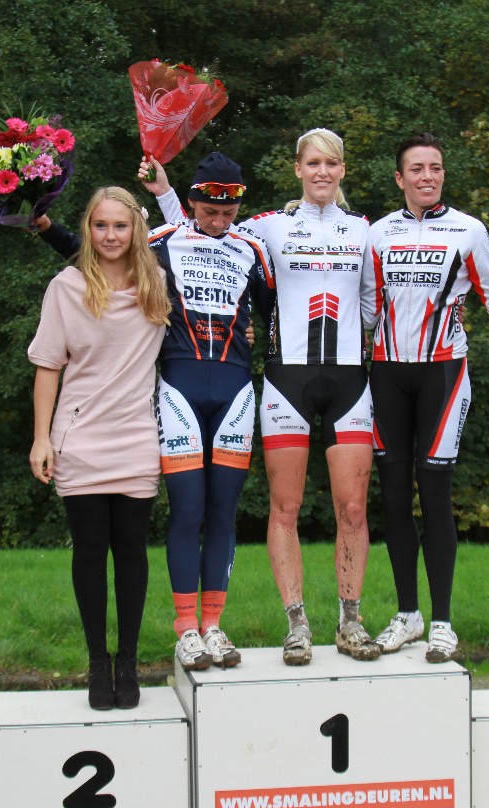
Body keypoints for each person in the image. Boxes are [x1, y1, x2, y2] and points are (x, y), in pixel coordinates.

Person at [146, 127, 380, 666]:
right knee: (285, 506)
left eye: (332, 163)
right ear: (297, 168)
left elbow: (372, 305)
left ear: (343, 170)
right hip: (285, 378)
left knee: (352, 506)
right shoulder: (264, 227)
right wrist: (164, 193)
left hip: (348, 377)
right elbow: (202, 234)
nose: (322, 171)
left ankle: (351, 621)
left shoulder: (364, 229)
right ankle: (297, 625)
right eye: (313, 162)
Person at [360, 133, 489, 662]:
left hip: (444, 375)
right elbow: (363, 310)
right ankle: (407, 615)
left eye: (435, 167)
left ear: (443, 175)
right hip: (386, 374)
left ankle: (442, 623)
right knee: (392, 498)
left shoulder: (469, 230)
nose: (427, 176)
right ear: (399, 178)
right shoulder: (377, 233)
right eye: (417, 168)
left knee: (434, 495)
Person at [27, 186, 171, 709]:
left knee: (131, 552)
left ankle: (128, 661)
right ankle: (97, 662)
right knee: (90, 551)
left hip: (136, 438)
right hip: (80, 439)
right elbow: (48, 366)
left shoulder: (158, 283)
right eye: (101, 225)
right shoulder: (66, 287)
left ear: (137, 230)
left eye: (121, 226)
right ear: (88, 229)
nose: (111, 235)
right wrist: (41, 438)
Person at [137, 152, 276, 671]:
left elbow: (275, 311)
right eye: (209, 211)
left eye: (228, 213)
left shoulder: (252, 249)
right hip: (180, 387)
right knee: (188, 510)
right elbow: (98, 258)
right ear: (193, 202)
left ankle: (213, 625)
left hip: (236, 390)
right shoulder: (161, 241)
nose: (218, 222)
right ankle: (185, 629)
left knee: (222, 512)